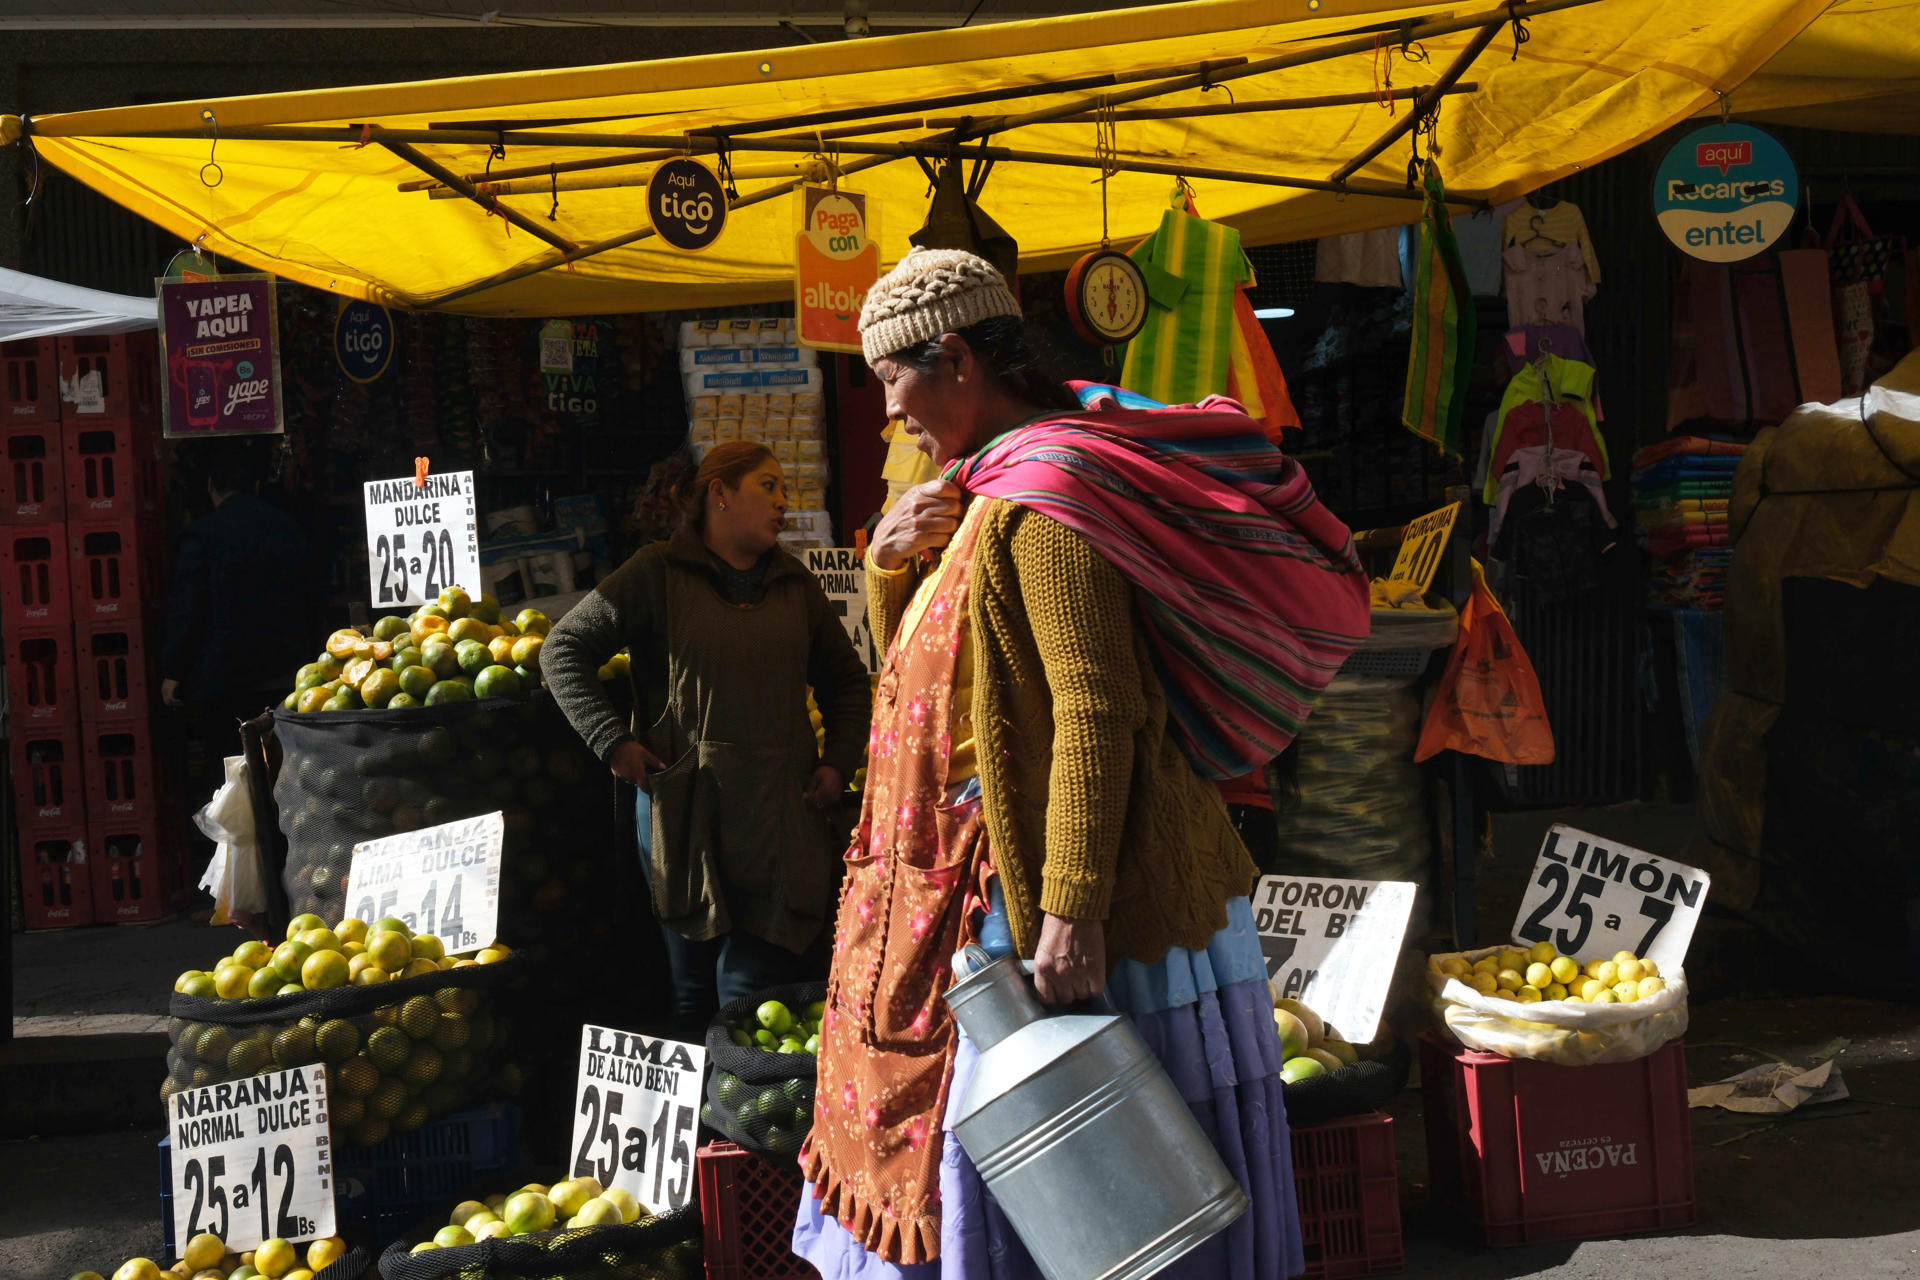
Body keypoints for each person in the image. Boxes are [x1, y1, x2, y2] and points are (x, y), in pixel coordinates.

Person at [792, 249, 1372, 1279]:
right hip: (990, 889)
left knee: (1099, 1209)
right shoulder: (978, 492)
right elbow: (933, 677)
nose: (888, 409)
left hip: (1073, 909)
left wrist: (1072, 907)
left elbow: (1092, 709)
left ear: (958, 358)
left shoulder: (1046, 501)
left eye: (893, 377)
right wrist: (890, 558)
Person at [542, 441, 872, 1031]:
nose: (783, 503)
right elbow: (562, 649)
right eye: (767, 486)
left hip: (777, 821)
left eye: (784, 489)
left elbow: (848, 685)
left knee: (746, 992)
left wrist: (838, 760)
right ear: (719, 493)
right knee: (692, 991)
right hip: (683, 818)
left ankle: (739, 1112)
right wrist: (611, 742)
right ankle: (702, 1121)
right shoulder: (655, 573)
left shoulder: (795, 585)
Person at [161, 440, 314, 738]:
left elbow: (189, 608)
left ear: (210, 487)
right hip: (284, 674)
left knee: (231, 767)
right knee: (281, 766)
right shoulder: (288, 529)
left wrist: (174, 670)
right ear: (256, 486)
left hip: (223, 680)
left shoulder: (201, 536)